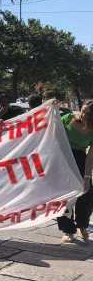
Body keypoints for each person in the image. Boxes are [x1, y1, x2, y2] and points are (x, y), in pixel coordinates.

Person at [57, 100, 93, 243]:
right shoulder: (68, 118)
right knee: (63, 197)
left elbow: (91, 155)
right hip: (62, 158)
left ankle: (82, 226)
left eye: (87, 113)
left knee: (87, 194)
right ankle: (68, 230)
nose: (82, 114)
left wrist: (87, 177)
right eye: (82, 110)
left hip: (80, 159)